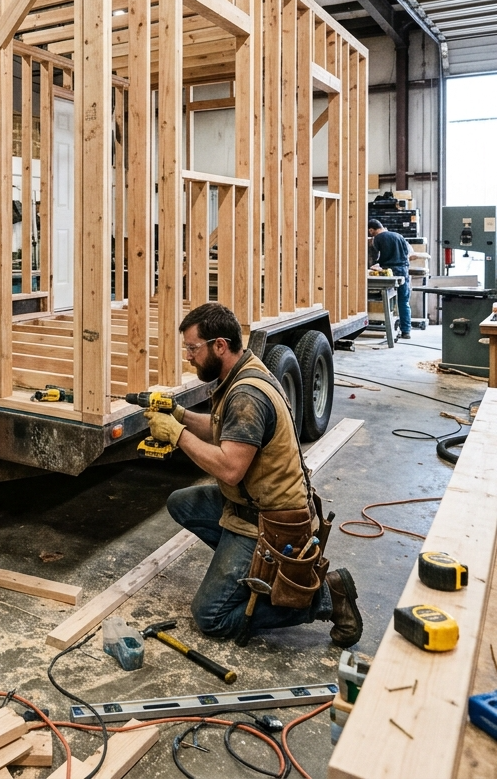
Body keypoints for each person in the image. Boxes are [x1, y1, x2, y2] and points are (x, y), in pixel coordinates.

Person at [146, 302, 362, 647]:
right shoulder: (245, 370)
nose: (188, 357)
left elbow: (230, 469)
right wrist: (181, 415)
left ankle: (325, 596)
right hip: (250, 506)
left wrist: (177, 434)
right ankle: (249, 572)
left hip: (272, 523)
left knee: (211, 617)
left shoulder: (246, 395)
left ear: (219, 345)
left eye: (193, 348)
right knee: (182, 503)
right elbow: (226, 429)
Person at [368, 219, 412, 339]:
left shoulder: (377, 239)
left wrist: (374, 267)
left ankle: (390, 329)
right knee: (404, 301)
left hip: (388, 273)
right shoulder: (399, 236)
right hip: (403, 270)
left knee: (388, 300)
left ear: (371, 230)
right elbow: (408, 254)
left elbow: (374, 258)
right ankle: (406, 331)